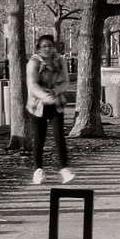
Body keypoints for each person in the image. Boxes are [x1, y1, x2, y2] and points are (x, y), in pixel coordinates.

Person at [26, 34, 75, 184]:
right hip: (37, 105)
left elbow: (66, 81)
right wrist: (44, 96)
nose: (47, 49)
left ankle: (64, 168)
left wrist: (56, 91)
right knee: (39, 138)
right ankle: (38, 170)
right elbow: (32, 85)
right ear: (39, 48)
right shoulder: (33, 62)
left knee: (59, 136)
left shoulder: (59, 61)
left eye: (50, 46)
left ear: (54, 47)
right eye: (44, 46)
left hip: (56, 102)